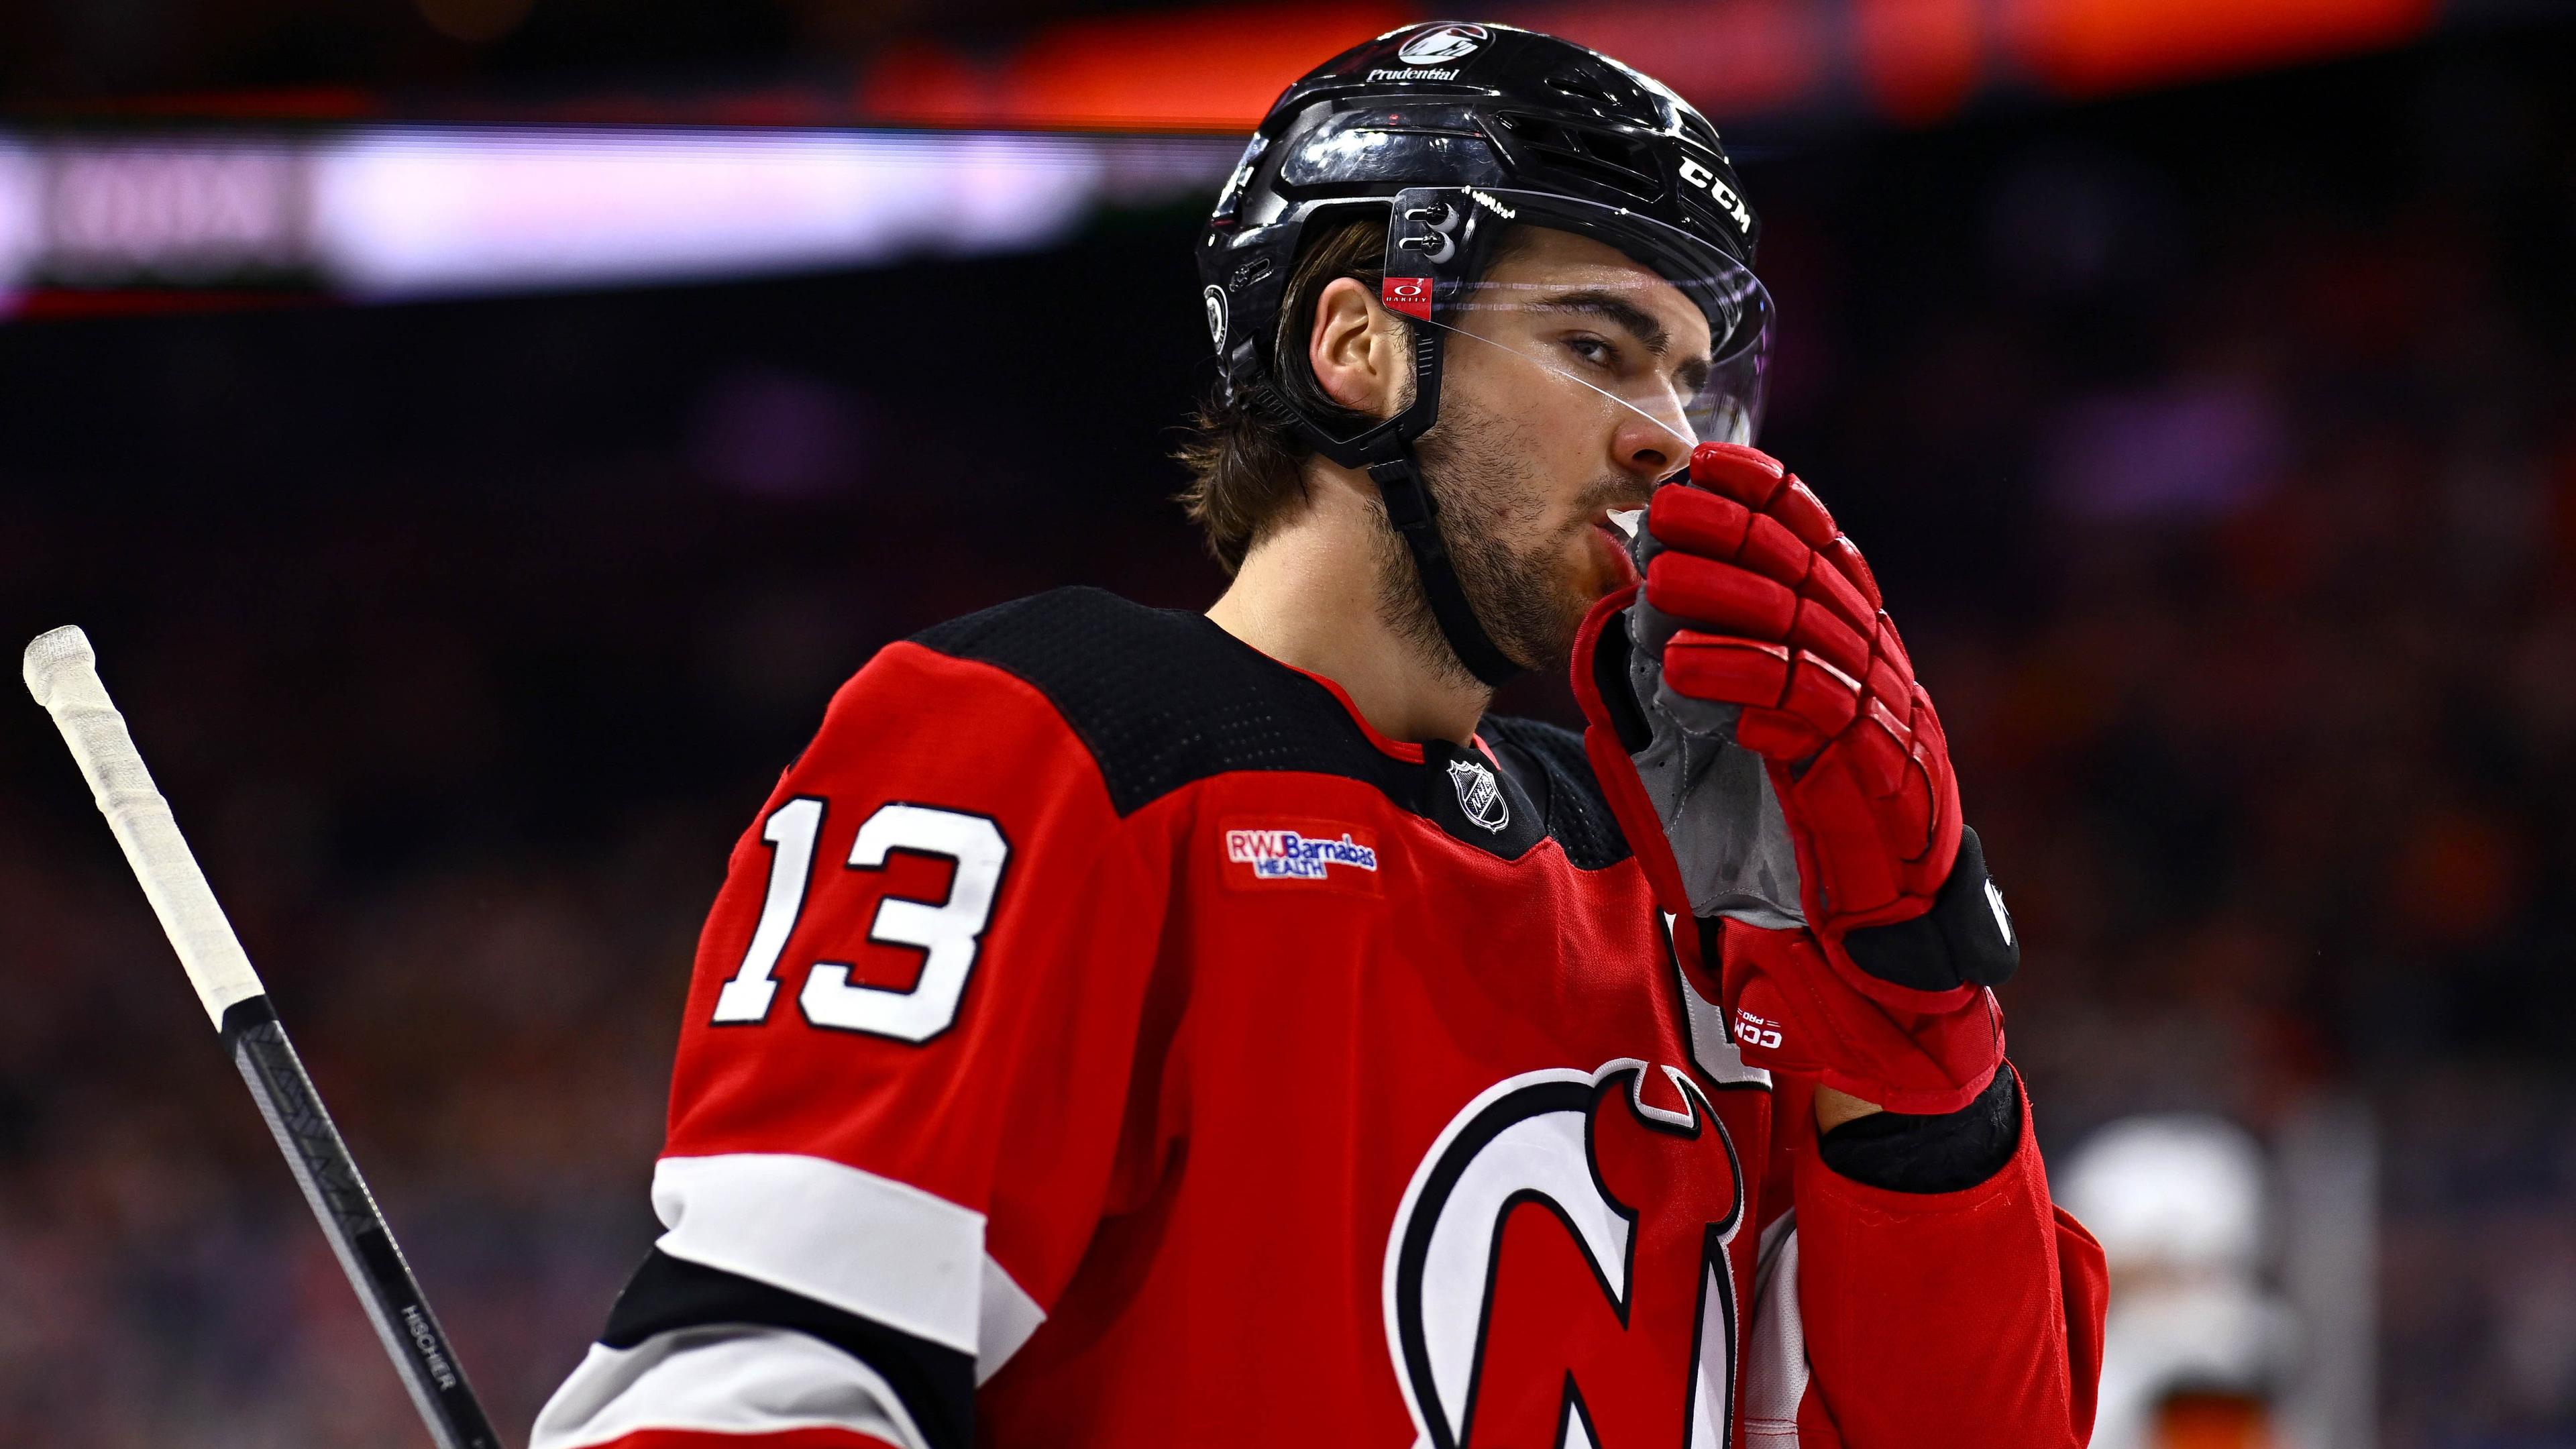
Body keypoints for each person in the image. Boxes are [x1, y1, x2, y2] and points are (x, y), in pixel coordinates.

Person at [531, 21, 2105, 1449]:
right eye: (1598, 347)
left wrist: (1910, 1015)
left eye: (1694, 381)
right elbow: (761, 1387)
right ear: (1356, 343)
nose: (1668, 438)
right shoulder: (1054, 735)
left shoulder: (1685, 880)